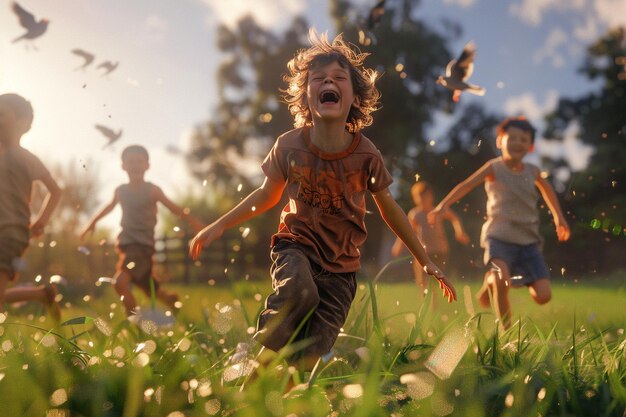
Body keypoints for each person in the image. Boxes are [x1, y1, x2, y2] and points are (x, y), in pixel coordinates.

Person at [189, 30, 456, 383]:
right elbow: (267, 195)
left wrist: (425, 259)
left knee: (311, 353)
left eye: (339, 77)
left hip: (343, 267)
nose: (328, 80)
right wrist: (220, 224)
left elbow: (390, 208)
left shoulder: (366, 155)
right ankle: (250, 367)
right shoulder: (289, 146)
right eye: (319, 78)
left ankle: (284, 397)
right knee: (300, 291)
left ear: (354, 97)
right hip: (296, 244)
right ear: (307, 96)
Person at [429, 116, 570, 329]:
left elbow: (548, 190)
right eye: (511, 137)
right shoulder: (494, 167)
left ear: (530, 146)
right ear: (499, 141)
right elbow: (467, 184)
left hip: (528, 241)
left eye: (523, 139)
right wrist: (443, 205)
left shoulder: (533, 171)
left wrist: (558, 217)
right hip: (498, 237)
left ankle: (489, 284)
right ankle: (507, 333)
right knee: (502, 279)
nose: (517, 143)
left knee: (543, 296)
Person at [80, 145, 203, 317]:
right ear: (123, 166)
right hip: (126, 246)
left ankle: (135, 322)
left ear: (147, 166)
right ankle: (170, 300)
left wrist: (194, 222)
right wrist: (92, 222)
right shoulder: (120, 191)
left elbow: (173, 208)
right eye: (131, 162)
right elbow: (109, 207)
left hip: (142, 247)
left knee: (119, 283)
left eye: (139, 161)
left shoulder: (152, 190)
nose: (135, 165)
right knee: (148, 287)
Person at [0, 93, 62, 320]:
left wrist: (41, 221)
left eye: (1, 114)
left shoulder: (25, 158)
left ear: (22, 123)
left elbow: (55, 190)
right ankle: (41, 294)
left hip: (12, 232)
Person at [391, 181, 469, 296]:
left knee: (436, 281)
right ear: (415, 199)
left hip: (440, 251)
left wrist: (459, 231)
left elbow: (455, 218)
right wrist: (398, 244)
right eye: (419, 197)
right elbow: (407, 231)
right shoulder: (415, 214)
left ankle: (436, 304)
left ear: (431, 196)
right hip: (423, 253)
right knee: (423, 282)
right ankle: (426, 304)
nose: (423, 200)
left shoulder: (437, 210)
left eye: (425, 196)